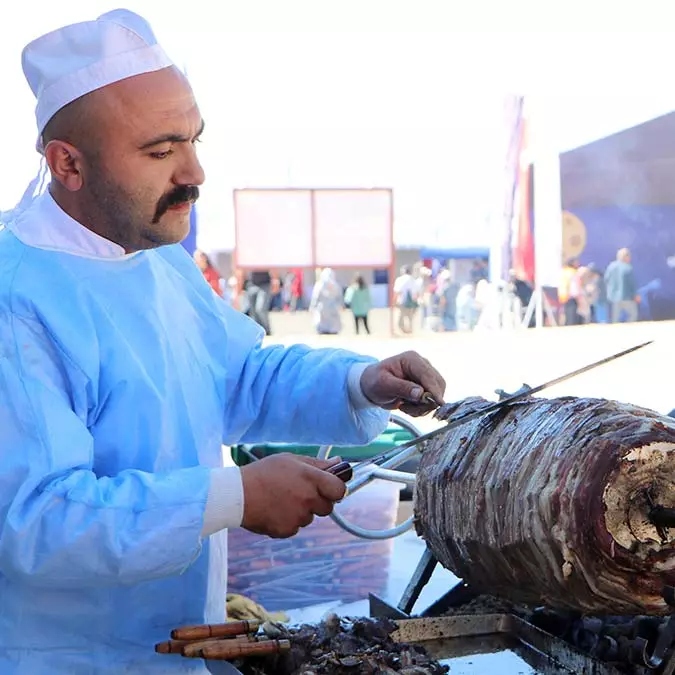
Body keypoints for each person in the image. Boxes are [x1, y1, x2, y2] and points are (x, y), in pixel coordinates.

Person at [0, 10, 446, 675]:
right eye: (161, 150)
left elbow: (234, 378)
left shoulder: (157, 258)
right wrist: (234, 495)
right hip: (65, 657)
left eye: (194, 139)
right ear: (68, 163)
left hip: (177, 639)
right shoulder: (17, 295)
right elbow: (36, 521)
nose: (195, 171)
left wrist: (358, 381)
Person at [604, 247, 640, 323]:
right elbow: (632, 283)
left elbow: (606, 279)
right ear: (625, 257)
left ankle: (615, 333)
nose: (630, 258)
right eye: (629, 256)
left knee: (615, 318)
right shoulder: (628, 268)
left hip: (613, 297)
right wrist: (636, 295)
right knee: (633, 314)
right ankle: (627, 329)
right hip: (626, 296)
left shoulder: (611, 267)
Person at [309, 267, 343, 334]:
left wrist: (312, 307)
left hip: (322, 307)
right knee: (332, 322)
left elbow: (315, 297)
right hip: (333, 307)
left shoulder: (319, 284)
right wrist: (341, 305)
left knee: (323, 322)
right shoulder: (336, 285)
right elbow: (340, 297)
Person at [393, 265, 417, 334]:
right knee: (410, 320)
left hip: (402, 302)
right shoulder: (413, 279)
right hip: (412, 303)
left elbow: (397, 291)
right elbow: (415, 293)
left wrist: (393, 302)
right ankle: (409, 332)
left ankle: (405, 332)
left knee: (400, 321)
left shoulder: (400, 279)